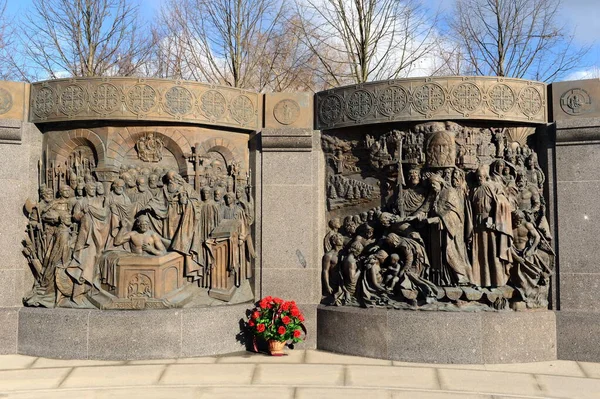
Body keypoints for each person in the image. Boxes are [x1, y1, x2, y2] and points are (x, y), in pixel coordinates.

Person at [471, 165, 513, 287]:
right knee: (480, 254)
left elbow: (502, 202)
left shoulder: (490, 187)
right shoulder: (474, 190)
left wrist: (495, 221)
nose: (479, 179)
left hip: (490, 226)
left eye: (481, 176)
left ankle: (496, 281)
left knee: (493, 252)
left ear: (486, 177)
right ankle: (481, 281)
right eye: (478, 177)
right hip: (477, 226)